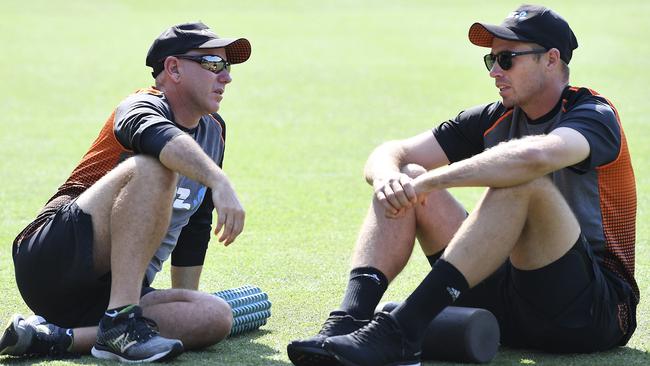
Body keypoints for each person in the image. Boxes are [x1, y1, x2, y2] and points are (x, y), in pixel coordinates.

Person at [287, 5, 637, 366]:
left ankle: (402, 330)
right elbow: (391, 151)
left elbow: (534, 159)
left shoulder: (595, 115)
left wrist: (432, 180)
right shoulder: (493, 116)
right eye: (491, 61)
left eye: (506, 59)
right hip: (510, 303)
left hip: (595, 312)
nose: (495, 72)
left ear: (550, 59)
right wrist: (389, 176)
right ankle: (348, 321)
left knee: (522, 183)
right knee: (403, 172)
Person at [0, 22, 251, 363]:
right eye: (213, 64)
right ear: (173, 68)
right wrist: (219, 180)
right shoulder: (139, 105)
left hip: (113, 292)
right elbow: (158, 138)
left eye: (228, 66)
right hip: (50, 259)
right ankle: (120, 323)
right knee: (156, 166)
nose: (226, 77)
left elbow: (195, 224)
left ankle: (55, 338)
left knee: (215, 317)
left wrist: (183, 300)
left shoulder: (214, 132)